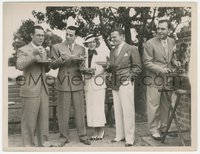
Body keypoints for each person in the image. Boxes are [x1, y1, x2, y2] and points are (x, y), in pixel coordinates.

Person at [50, 26, 91, 145]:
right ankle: (63, 138)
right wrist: (61, 59)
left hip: (77, 83)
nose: (68, 36)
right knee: (63, 113)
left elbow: (82, 66)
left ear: (76, 36)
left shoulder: (81, 49)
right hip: (63, 84)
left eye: (71, 35)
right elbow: (52, 65)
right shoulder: (57, 47)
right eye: (67, 34)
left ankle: (83, 136)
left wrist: (85, 69)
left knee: (80, 111)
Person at [143, 20, 181, 141]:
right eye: (158, 28)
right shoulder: (149, 43)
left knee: (166, 104)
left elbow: (170, 58)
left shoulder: (171, 41)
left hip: (167, 78)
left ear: (169, 30)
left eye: (163, 29)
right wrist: (160, 70)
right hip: (154, 78)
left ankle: (165, 128)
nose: (159, 31)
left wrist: (175, 62)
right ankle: (154, 130)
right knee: (154, 105)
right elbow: (147, 62)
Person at [106, 28, 142, 146]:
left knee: (128, 110)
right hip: (115, 82)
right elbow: (112, 67)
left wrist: (129, 77)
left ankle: (130, 138)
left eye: (115, 37)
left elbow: (137, 67)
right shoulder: (112, 50)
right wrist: (107, 67)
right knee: (117, 109)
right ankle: (120, 135)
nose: (113, 39)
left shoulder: (131, 48)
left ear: (122, 36)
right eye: (111, 37)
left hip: (125, 82)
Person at [16, 25, 50, 147]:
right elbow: (20, 65)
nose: (41, 38)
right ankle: (28, 147)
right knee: (29, 122)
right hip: (30, 89)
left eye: (43, 35)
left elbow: (44, 69)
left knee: (43, 120)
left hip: (43, 89)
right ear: (32, 35)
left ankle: (44, 145)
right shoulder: (23, 49)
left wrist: (49, 61)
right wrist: (34, 54)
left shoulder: (43, 50)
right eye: (38, 35)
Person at [82, 34, 108, 140]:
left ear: (96, 43)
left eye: (93, 42)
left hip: (98, 84)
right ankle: (94, 131)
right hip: (88, 84)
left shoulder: (101, 53)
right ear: (87, 44)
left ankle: (101, 130)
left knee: (98, 108)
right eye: (89, 42)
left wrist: (92, 72)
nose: (91, 44)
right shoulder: (84, 55)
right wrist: (85, 72)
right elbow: (82, 67)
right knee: (91, 108)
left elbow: (103, 68)